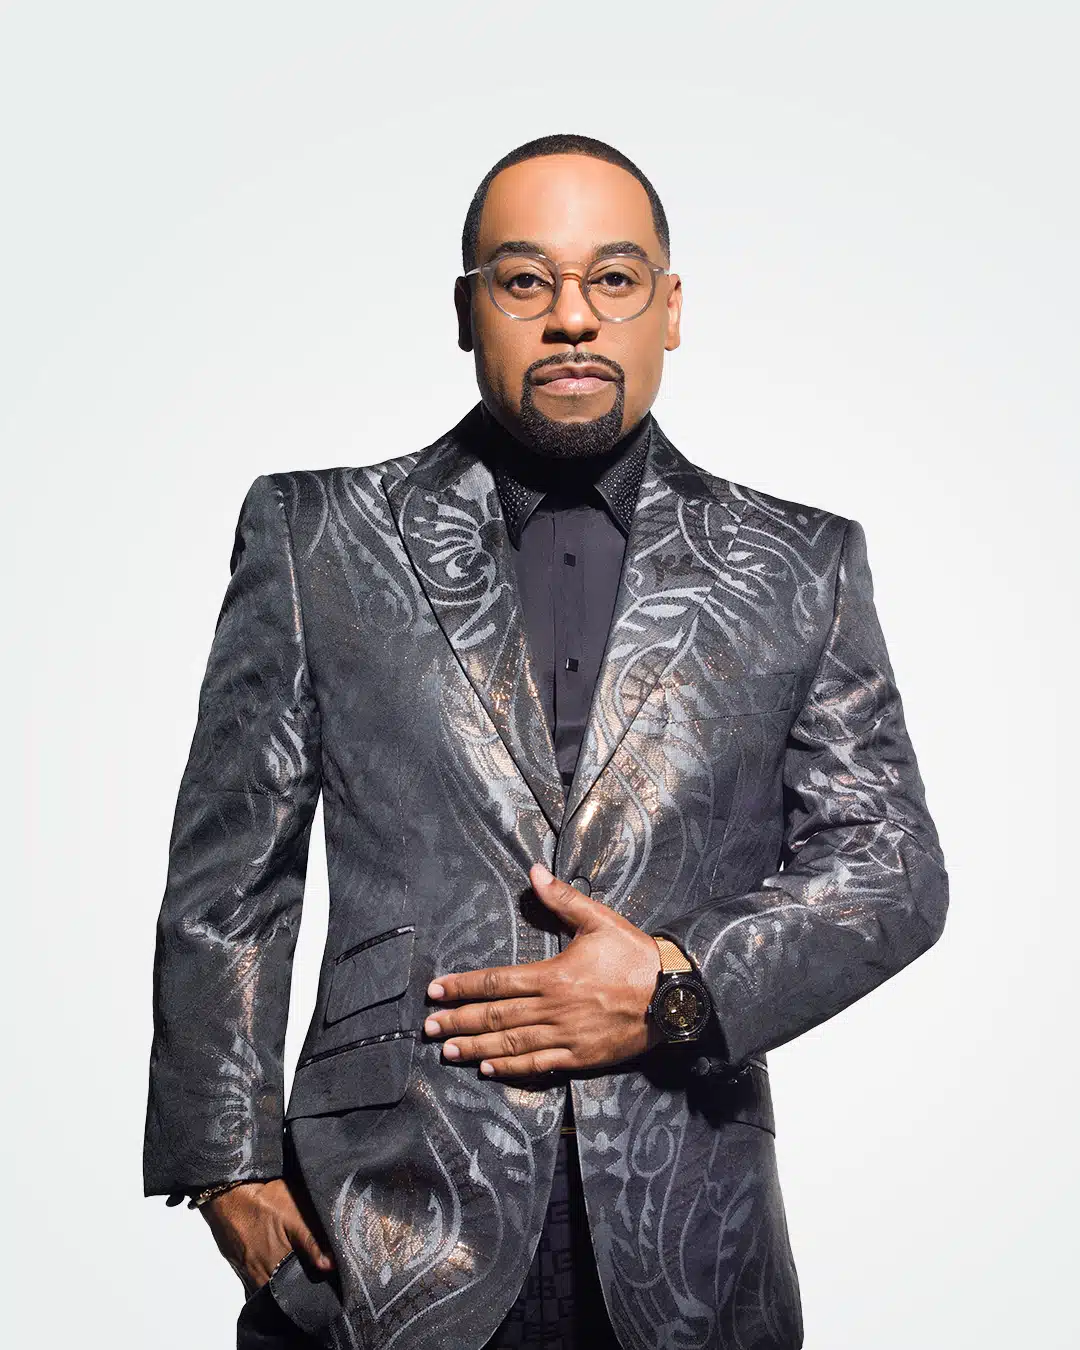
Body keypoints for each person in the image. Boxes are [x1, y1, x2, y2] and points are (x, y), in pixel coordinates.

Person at [143, 133, 949, 1350]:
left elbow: (890, 869)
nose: (573, 316)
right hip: (380, 1226)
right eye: (526, 281)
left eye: (614, 278)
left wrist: (678, 989)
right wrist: (225, 1168)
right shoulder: (318, 536)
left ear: (670, 309)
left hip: (692, 1230)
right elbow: (229, 878)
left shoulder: (799, 565)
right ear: (467, 311)